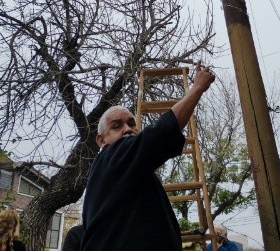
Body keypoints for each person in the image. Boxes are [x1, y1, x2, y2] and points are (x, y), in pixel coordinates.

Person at [81, 64, 216, 251]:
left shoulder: (128, 171)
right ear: (101, 140)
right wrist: (197, 88)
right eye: (116, 126)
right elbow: (159, 135)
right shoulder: (110, 158)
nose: (127, 129)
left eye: (131, 123)